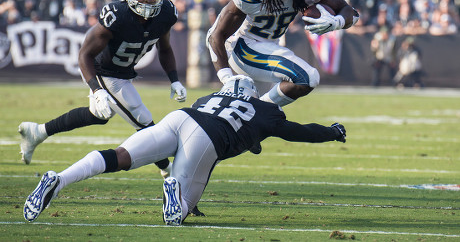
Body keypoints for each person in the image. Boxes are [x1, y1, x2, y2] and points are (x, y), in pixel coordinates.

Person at [23, 75, 347, 225]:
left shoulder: (209, 98)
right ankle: (174, 188)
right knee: (178, 214)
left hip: (182, 116)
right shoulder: (264, 110)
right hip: (206, 137)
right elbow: (300, 132)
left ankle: (59, 179)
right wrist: (332, 133)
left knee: (120, 156)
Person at [18, 0, 186, 178]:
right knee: (142, 118)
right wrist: (97, 90)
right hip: (101, 70)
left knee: (98, 115)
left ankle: (38, 132)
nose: (148, 1)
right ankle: (168, 170)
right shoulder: (117, 16)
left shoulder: (166, 13)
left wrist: (174, 80)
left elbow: (165, 47)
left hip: (123, 72)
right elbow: (84, 55)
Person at [206, 0, 359, 107]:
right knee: (307, 77)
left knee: (247, 124)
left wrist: (336, 22)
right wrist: (226, 78)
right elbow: (215, 35)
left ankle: (256, 114)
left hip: (270, 49)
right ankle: (261, 112)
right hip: (245, 48)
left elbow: (350, 13)